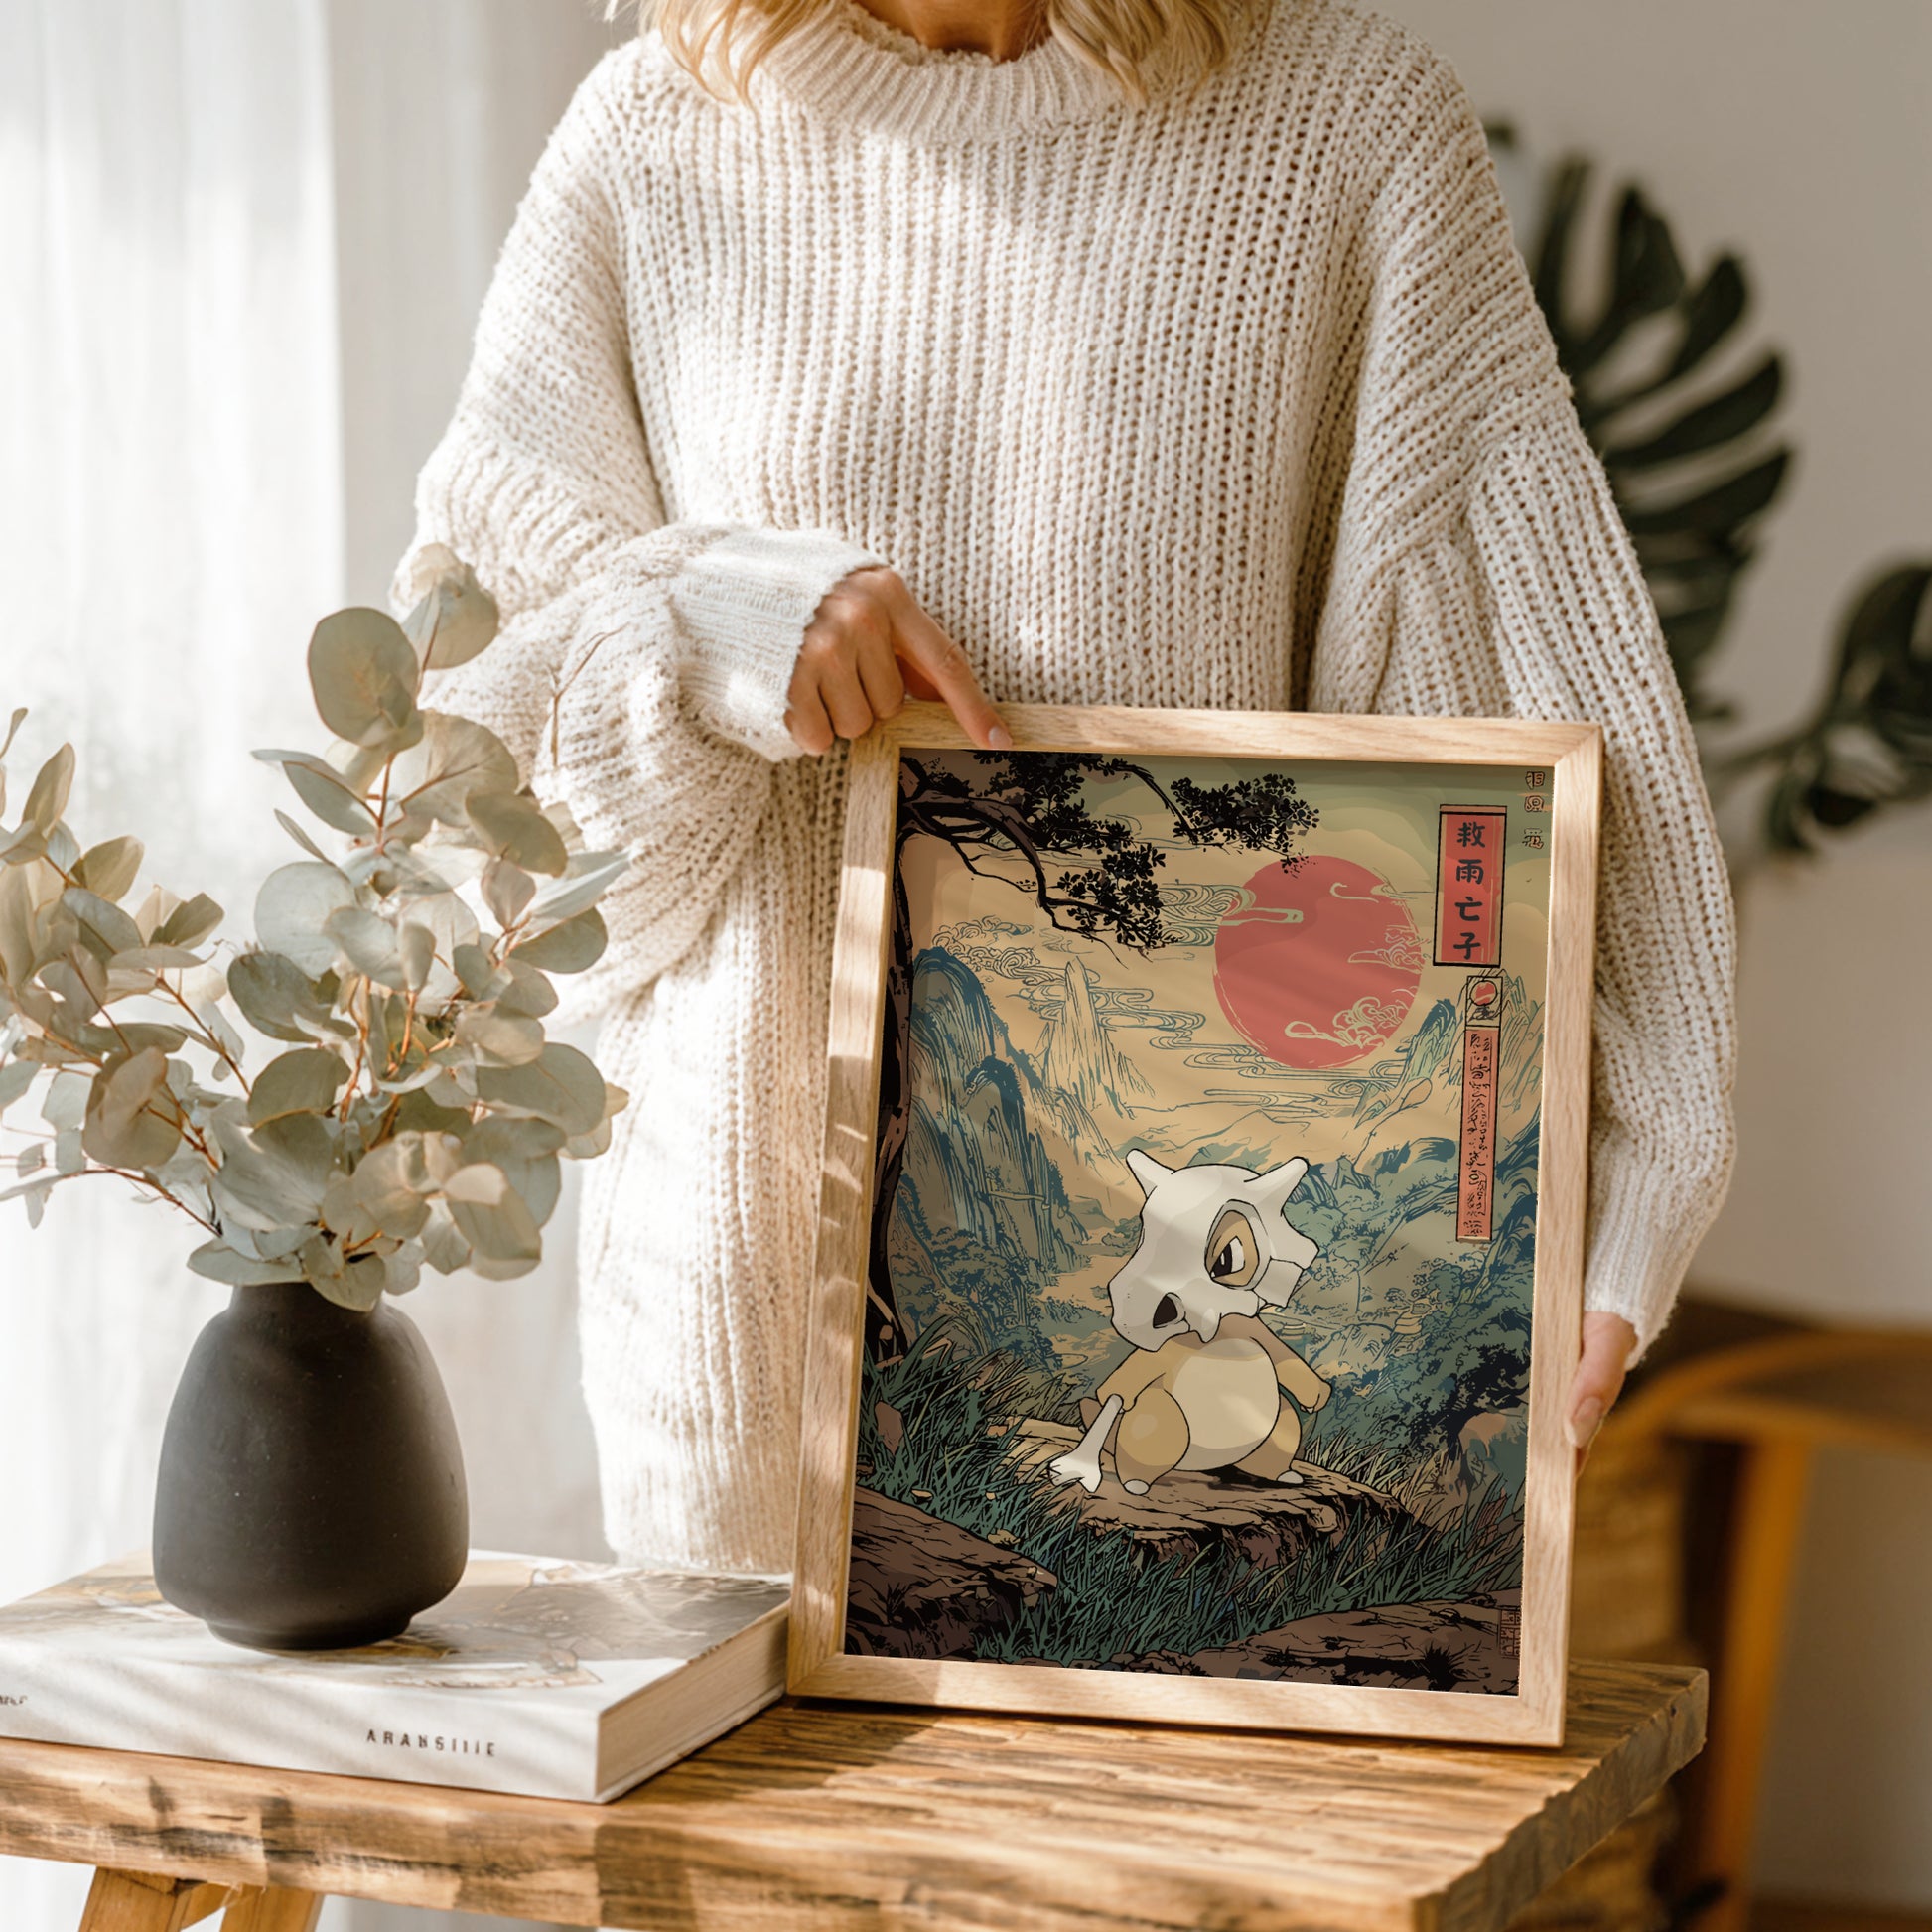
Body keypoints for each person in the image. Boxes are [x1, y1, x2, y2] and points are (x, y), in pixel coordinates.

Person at [393, 0, 1736, 1576]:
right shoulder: (650, 141)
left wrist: (1626, 1168)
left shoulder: (1343, 128)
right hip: (736, 1348)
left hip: (1205, 1333)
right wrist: (706, 621)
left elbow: (1522, 692)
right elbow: (465, 818)